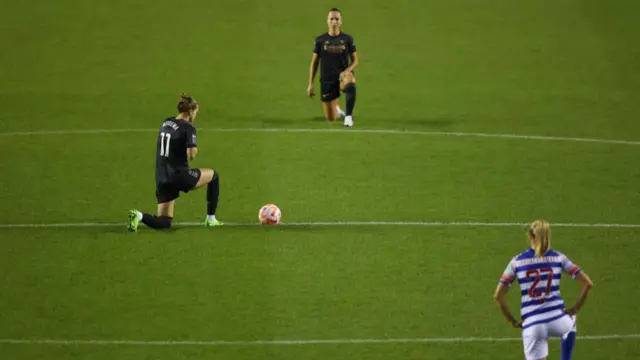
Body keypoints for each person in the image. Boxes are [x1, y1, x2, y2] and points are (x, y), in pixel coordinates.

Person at [494, 220, 593, 360]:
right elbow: (588, 283)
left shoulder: (516, 262)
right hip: (559, 321)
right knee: (572, 321)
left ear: (530, 236)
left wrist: (513, 321)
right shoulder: (559, 258)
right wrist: (574, 308)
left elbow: (498, 296)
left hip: (533, 325)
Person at [127, 93, 223, 232]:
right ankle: (211, 219)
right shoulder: (188, 127)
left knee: (165, 221)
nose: (195, 116)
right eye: (195, 112)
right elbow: (191, 155)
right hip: (179, 174)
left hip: (162, 176)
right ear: (190, 112)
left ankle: (140, 216)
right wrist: (193, 149)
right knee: (214, 176)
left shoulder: (166, 122)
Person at [307, 7, 359, 127]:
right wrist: (311, 84)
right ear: (327, 21)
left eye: (337, 19)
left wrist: (346, 71)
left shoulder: (347, 39)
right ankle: (337, 109)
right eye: (332, 19)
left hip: (342, 77)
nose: (334, 22)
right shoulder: (320, 40)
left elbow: (355, 60)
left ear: (341, 21)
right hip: (327, 80)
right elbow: (314, 62)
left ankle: (348, 117)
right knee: (331, 119)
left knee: (350, 81)